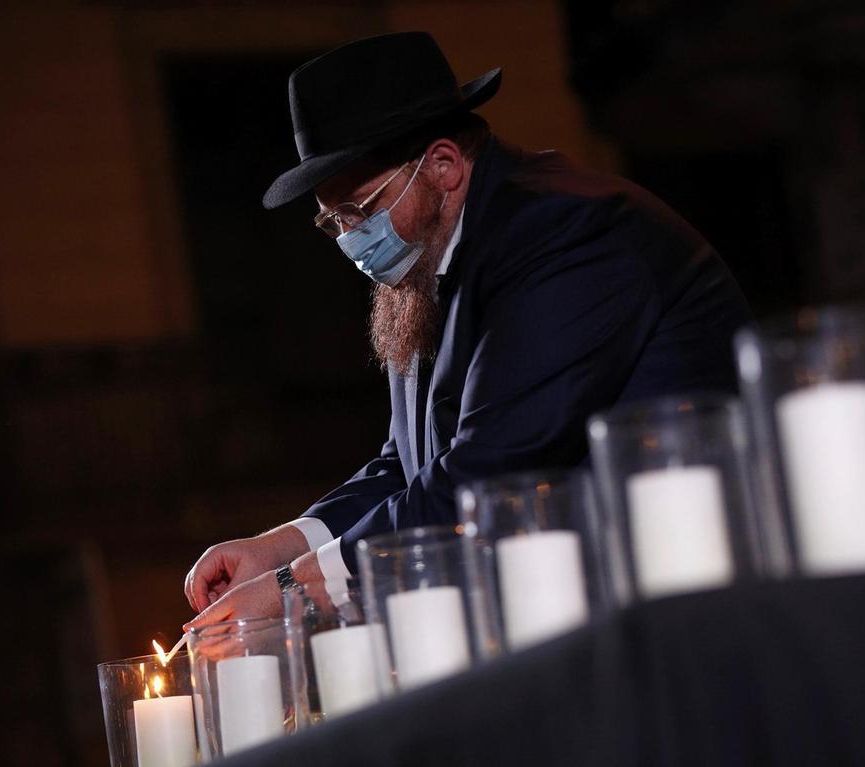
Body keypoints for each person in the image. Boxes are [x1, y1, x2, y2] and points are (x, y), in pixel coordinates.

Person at [182, 31, 751, 630]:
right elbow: (408, 465)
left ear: (444, 166)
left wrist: (292, 589)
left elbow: (486, 473)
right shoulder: (428, 262)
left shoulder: (563, 234)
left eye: (361, 212)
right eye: (333, 223)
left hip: (685, 610)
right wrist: (280, 549)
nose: (350, 241)